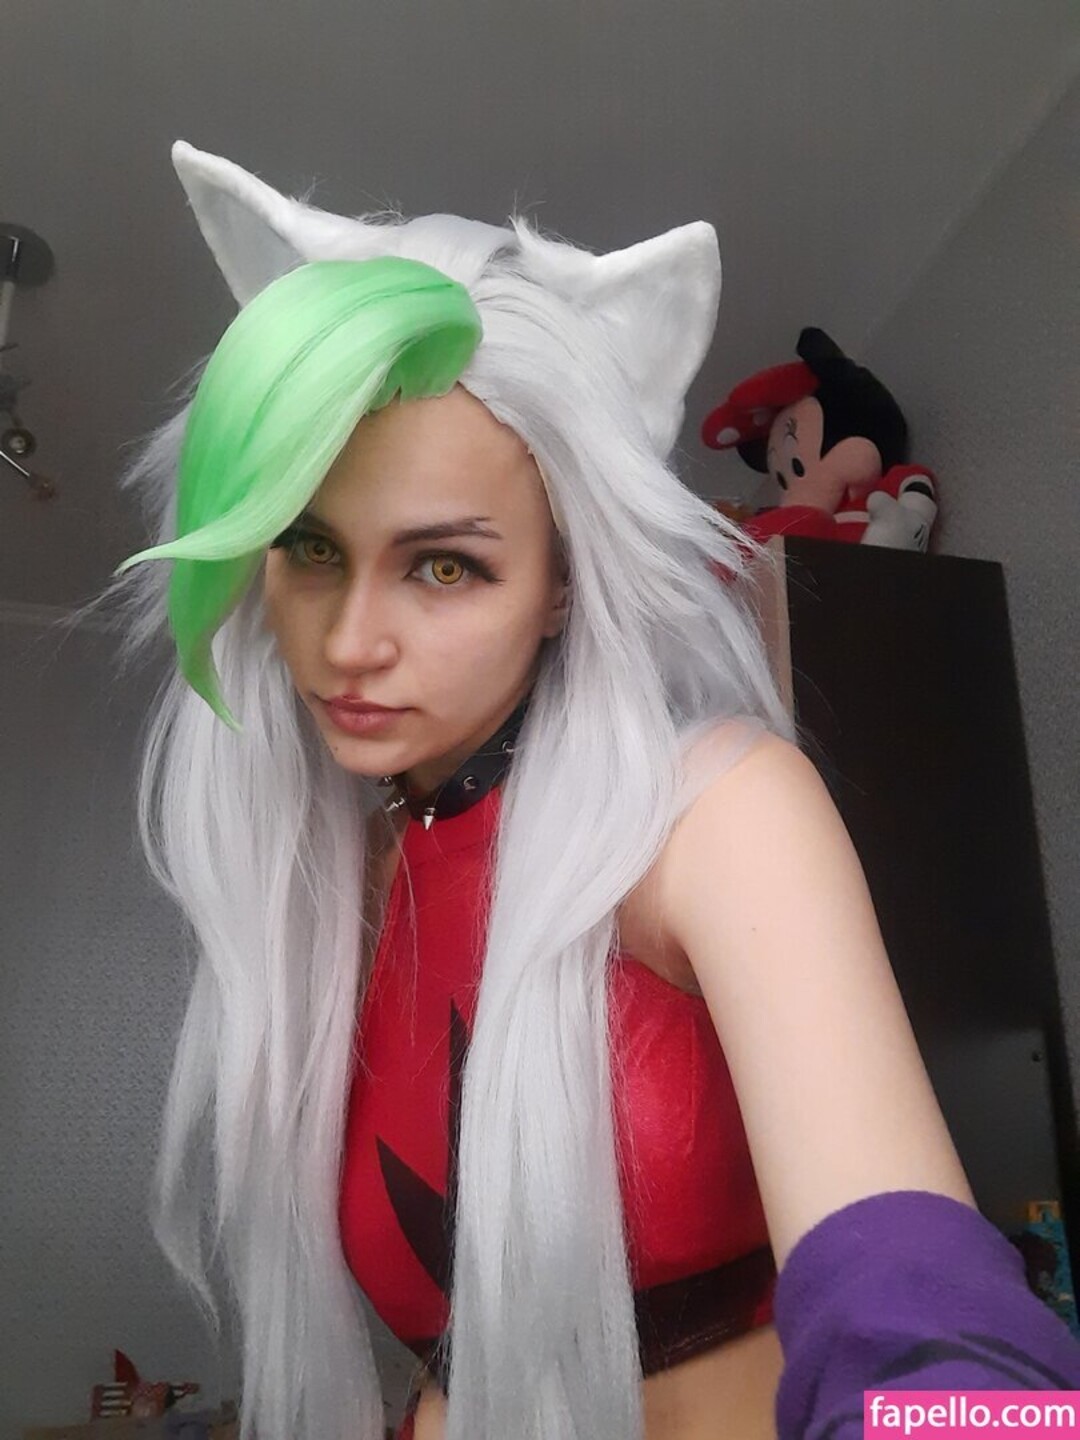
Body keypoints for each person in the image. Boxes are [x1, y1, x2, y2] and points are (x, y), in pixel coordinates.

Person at [75, 142, 1080, 1440]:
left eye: (443, 567)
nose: (349, 641)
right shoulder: (338, 892)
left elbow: (921, 1312)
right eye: (310, 548)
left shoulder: (711, 814)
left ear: (561, 583)